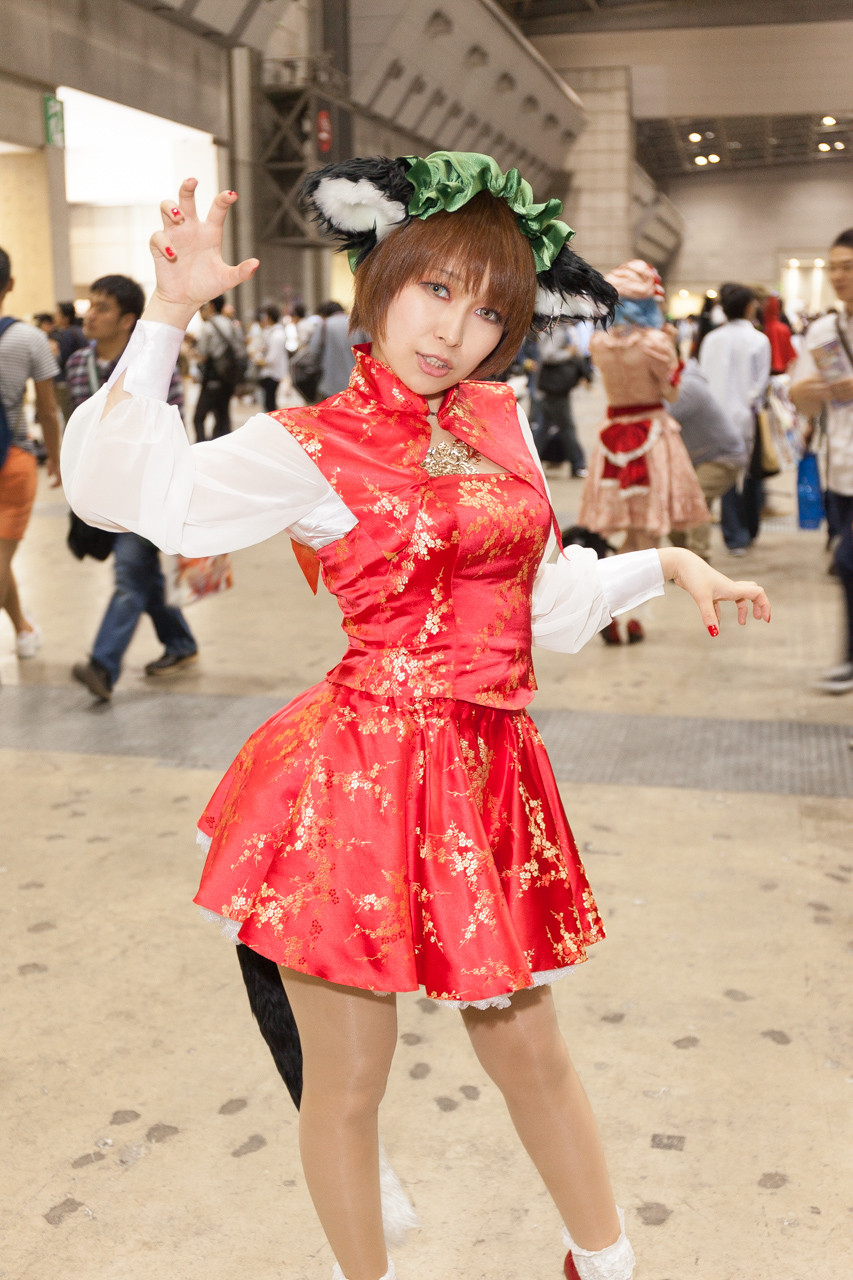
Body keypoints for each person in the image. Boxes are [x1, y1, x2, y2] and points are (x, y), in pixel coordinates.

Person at [61, 157, 770, 1280]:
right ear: (381, 277)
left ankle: (604, 1262)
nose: (454, 331)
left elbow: (545, 606)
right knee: (348, 1082)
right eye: (435, 289)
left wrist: (671, 564)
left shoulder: (498, 418)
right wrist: (169, 315)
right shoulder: (309, 445)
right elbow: (122, 494)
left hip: (489, 774)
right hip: (358, 787)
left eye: (489, 310)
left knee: (529, 1048)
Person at [66, 273, 198, 702]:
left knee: (128, 575)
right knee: (144, 579)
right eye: (90, 305)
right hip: (101, 491)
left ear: (127, 320)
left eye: (102, 308)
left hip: (143, 490)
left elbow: (171, 425)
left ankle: (102, 666)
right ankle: (180, 642)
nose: (90, 315)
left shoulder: (154, 364)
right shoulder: (77, 363)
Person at [577, 260, 710, 642]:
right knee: (647, 539)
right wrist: (674, 351)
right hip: (652, 437)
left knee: (633, 539)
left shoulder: (600, 343)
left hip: (613, 438)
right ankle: (629, 616)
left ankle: (611, 610)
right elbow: (671, 393)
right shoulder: (655, 344)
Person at [790, 227, 853, 694]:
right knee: (845, 563)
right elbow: (803, 400)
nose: (838, 276)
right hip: (840, 468)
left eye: (847, 267)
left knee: (848, 561)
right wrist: (805, 392)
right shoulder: (825, 330)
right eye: (834, 267)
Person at [0, 246, 61, 661]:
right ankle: (22, 629)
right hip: (12, 458)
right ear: (10, 284)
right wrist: (55, 457)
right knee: (2, 555)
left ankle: (22, 628)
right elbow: (47, 410)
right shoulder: (28, 338)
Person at [698, 283, 771, 555]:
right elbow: (760, 384)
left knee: (724, 475)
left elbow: (703, 378)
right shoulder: (759, 340)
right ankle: (749, 528)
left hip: (714, 418)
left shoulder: (711, 339)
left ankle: (734, 535)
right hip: (746, 416)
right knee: (751, 473)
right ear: (750, 306)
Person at [668, 355, 748, 561]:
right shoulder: (681, 384)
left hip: (724, 457)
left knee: (695, 498)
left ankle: (698, 559)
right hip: (700, 458)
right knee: (672, 504)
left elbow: (657, 416)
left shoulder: (688, 387)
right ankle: (682, 559)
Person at [532, 324, 589, 477]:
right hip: (555, 389)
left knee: (543, 429)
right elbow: (548, 354)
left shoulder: (557, 329)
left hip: (554, 388)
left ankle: (528, 464)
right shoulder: (557, 331)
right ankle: (578, 465)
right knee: (566, 428)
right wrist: (568, 353)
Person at [193, 294, 245, 440]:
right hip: (229, 377)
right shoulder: (231, 323)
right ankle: (223, 445)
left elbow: (203, 355)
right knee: (223, 416)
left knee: (198, 417)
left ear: (211, 306)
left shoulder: (209, 326)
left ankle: (200, 446)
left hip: (213, 377)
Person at [255, 304, 289, 412]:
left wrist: (260, 361)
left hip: (272, 372)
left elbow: (272, 357)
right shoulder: (271, 332)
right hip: (269, 372)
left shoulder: (277, 334)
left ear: (269, 317)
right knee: (268, 401)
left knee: (270, 403)